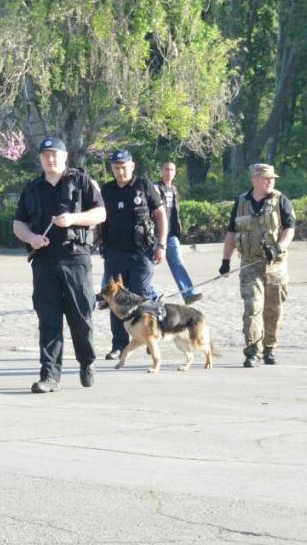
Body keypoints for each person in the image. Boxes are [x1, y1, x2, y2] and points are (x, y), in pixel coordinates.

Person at [13, 137, 106, 393]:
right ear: (40, 159)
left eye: (55, 155)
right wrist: (31, 238)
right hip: (44, 260)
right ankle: (49, 375)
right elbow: (18, 224)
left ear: (65, 157)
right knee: (49, 320)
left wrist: (73, 218)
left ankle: (87, 361)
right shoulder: (32, 188)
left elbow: (100, 213)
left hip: (75, 259)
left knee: (81, 318)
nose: (50, 159)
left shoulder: (81, 182)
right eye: (45, 156)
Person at [220, 163, 295, 368]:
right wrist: (226, 261)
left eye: (272, 179)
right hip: (250, 264)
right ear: (255, 180)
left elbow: (290, 229)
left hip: (275, 265)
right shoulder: (241, 202)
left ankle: (269, 348)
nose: (271, 181)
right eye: (266, 178)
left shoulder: (282, 201)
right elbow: (232, 233)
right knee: (252, 307)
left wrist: (278, 248)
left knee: (273, 310)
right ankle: (253, 350)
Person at [98, 149, 166, 362]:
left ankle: (149, 339)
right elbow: (98, 219)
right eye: (116, 168)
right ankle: (119, 345)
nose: (120, 171)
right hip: (114, 253)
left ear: (132, 166)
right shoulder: (107, 190)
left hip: (141, 253)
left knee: (142, 295)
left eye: (123, 167)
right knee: (115, 299)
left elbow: (160, 215)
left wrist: (162, 244)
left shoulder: (144, 185)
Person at [155, 162, 201, 304]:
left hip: (171, 235)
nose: (169, 172)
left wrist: (177, 231)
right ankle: (151, 296)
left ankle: (188, 294)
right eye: (166, 169)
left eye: (172, 170)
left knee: (178, 263)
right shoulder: (155, 188)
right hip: (155, 235)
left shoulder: (174, 189)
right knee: (146, 267)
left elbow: (175, 213)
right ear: (162, 171)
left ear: (175, 172)